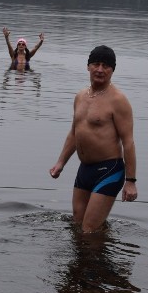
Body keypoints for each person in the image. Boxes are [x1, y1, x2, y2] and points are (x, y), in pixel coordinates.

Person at [49, 45, 137, 233]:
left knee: (88, 230)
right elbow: (75, 132)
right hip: (85, 170)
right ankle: (99, 255)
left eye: (106, 66)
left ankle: (99, 257)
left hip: (109, 170)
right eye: (96, 64)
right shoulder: (80, 96)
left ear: (112, 70)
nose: (100, 69)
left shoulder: (118, 101)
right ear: (88, 66)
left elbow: (128, 142)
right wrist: (61, 162)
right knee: (78, 225)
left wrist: (131, 181)